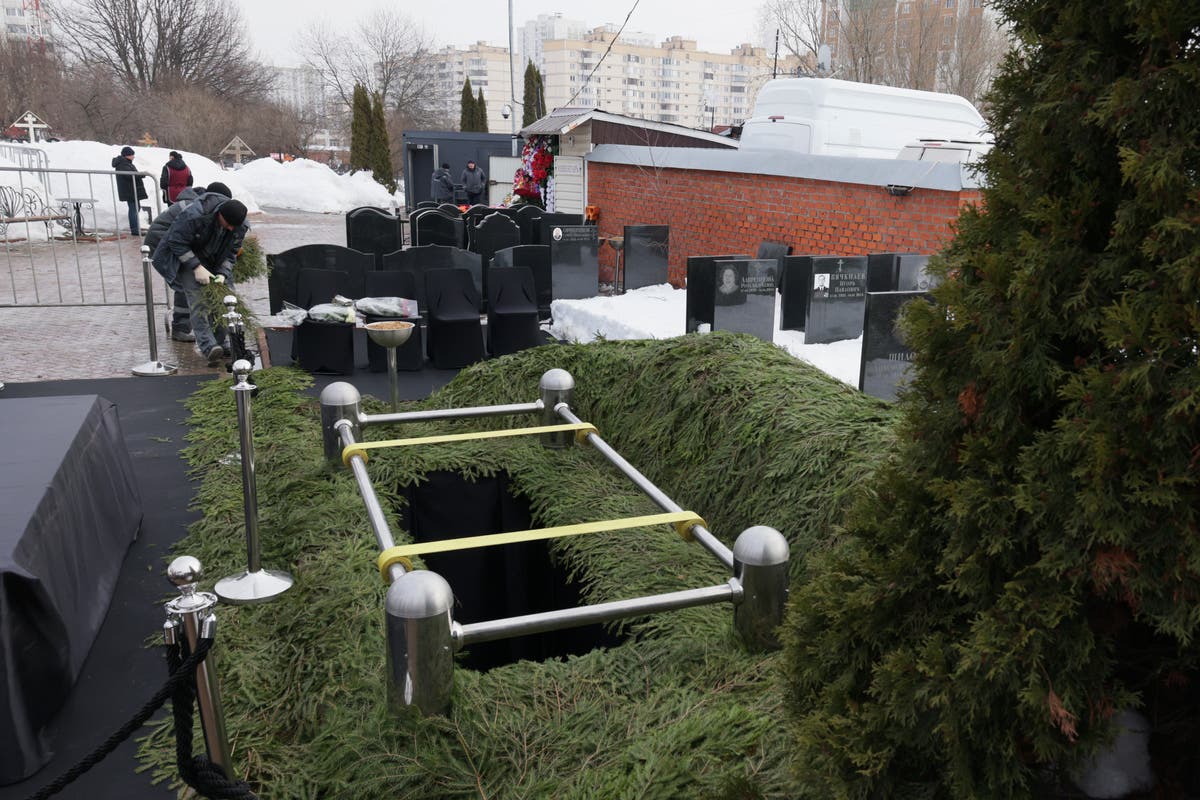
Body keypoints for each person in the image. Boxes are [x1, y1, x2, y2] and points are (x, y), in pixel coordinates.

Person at [151, 197, 249, 366]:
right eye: (229, 224)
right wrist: (196, 267)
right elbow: (176, 241)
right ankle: (208, 346)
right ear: (219, 214)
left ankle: (220, 342)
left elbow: (232, 252)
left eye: (235, 226)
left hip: (214, 260)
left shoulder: (240, 225)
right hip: (188, 257)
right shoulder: (194, 215)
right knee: (199, 302)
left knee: (226, 301)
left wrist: (223, 273)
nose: (231, 228)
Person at [144, 182, 233, 341]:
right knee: (187, 283)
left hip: (174, 241)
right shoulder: (195, 209)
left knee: (191, 279)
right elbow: (182, 240)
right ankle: (181, 328)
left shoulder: (206, 207)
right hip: (162, 242)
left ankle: (186, 327)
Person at [111, 146, 147, 236]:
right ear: (127, 155)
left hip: (131, 189)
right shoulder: (123, 164)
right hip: (129, 190)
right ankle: (134, 229)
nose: (133, 156)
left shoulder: (126, 163)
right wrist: (141, 175)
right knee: (133, 209)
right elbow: (130, 176)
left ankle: (135, 227)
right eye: (132, 155)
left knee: (136, 208)